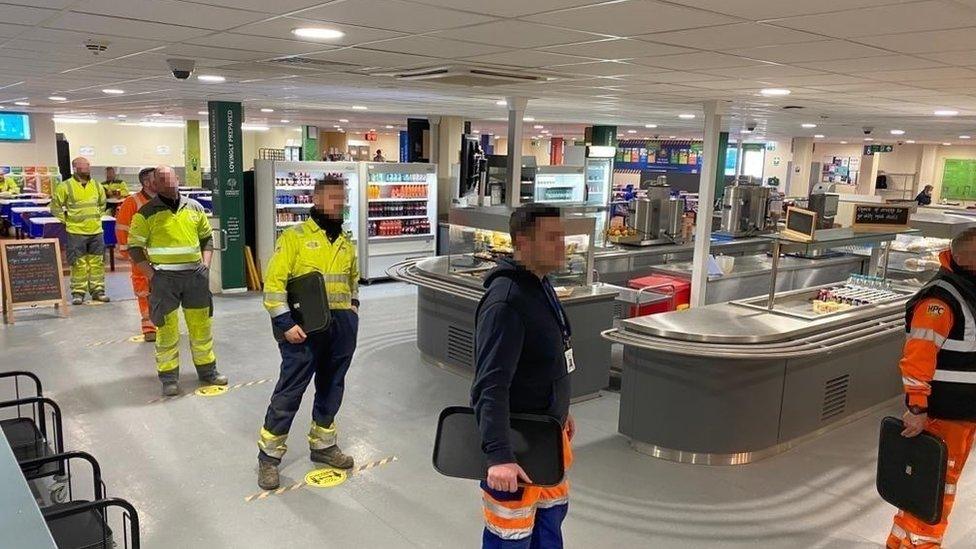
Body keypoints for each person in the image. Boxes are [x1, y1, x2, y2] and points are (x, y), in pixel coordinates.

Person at [472, 204, 576, 548]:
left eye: (562, 236)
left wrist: (561, 409)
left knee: (548, 526)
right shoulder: (506, 302)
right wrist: (499, 456)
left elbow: (545, 360)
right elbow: (490, 385)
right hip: (517, 448)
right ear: (523, 242)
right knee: (511, 535)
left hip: (546, 439)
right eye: (552, 238)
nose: (562, 245)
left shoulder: (539, 285)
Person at [256, 174, 360, 490]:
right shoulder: (294, 238)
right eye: (333, 198)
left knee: (332, 387)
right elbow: (273, 285)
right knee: (290, 392)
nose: (339, 203)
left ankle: (324, 445)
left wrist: (353, 308)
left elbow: (352, 280)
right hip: (303, 331)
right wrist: (285, 324)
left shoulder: (346, 241)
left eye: (342, 198)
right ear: (316, 200)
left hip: (341, 330)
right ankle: (269, 457)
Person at [887, 228, 976, 549]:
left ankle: (899, 542)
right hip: (943, 414)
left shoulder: (967, 291)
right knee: (936, 487)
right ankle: (921, 544)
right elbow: (916, 361)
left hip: (963, 413)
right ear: (967, 259)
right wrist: (916, 408)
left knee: (926, 484)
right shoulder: (940, 300)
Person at [127, 165, 227, 396]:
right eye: (161, 180)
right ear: (154, 185)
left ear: (177, 179)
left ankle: (208, 371)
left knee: (201, 327)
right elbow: (134, 248)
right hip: (165, 280)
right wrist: (153, 275)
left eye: (170, 178)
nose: (167, 183)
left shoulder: (195, 208)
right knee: (166, 330)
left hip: (195, 278)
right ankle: (169, 377)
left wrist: (205, 265)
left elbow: (206, 239)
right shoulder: (146, 213)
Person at [51, 156, 109, 305]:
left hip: (96, 231)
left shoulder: (97, 185)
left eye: (88, 165)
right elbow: (55, 206)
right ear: (75, 168)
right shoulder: (65, 186)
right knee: (78, 263)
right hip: (75, 232)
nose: (87, 168)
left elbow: (102, 205)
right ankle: (78, 293)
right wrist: (67, 221)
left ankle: (98, 291)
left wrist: (95, 218)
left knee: (97, 262)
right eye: (84, 166)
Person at [115, 167, 158, 342]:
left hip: (165, 257)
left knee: (164, 291)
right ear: (146, 182)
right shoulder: (131, 203)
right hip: (142, 257)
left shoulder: (167, 200)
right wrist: (130, 255)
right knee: (144, 291)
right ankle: (149, 326)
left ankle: (164, 324)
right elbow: (122, 228)